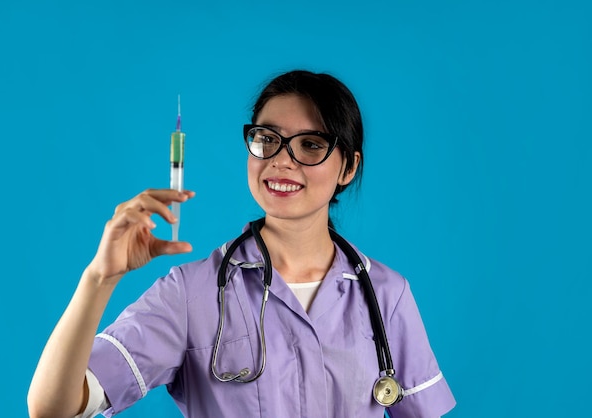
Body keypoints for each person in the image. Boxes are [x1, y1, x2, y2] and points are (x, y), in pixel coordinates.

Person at [28, 70, 456, 418]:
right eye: (267, 139)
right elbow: (52, 408)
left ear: (348, 167)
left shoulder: (385, 294)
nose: (282, 159)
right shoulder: (191, 294)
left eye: (311, 144)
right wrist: (99, 278)